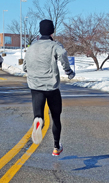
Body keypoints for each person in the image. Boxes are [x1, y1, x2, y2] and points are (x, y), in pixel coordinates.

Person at [23, 19, 75, 157]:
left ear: (40, 31)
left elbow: (25, 67)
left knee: (38, 113)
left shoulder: (31, 47)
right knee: (56, 117)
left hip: (35, 86)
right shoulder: (54, 45)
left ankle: (38, 120)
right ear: (52, 31)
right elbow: (63, 54)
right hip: (51, 87)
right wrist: (68, 71)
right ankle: (56, 147)